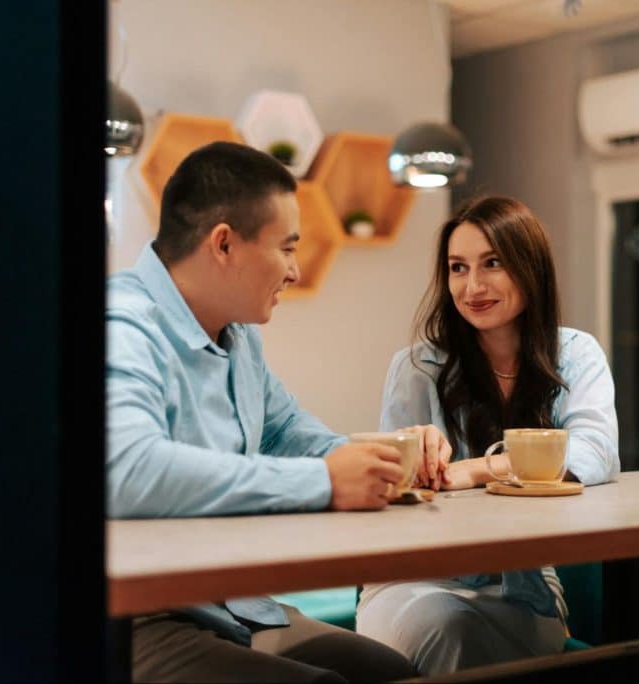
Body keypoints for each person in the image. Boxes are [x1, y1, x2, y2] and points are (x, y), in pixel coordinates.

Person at [106, 141, 446, 683]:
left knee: (394, 673)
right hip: (140, 619)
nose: (293, 269)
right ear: (224, 244)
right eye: (287, 248)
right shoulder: (123, 324)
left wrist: (386, 462)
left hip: (237, 607)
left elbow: (288, 430)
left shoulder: (239, 338)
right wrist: (324, 482)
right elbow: (127, 471)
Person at [355, 195, 620, 675]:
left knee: (463, 636)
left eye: (492, 263)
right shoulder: (418, 367)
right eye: (458, 268)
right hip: (413, 580)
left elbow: (595, 453)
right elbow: (397, 490)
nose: (472, 286)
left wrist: (477, 468)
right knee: (449, 627)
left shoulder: (577, 354)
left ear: (529, 267)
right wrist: (413, 464)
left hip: (523, 587)